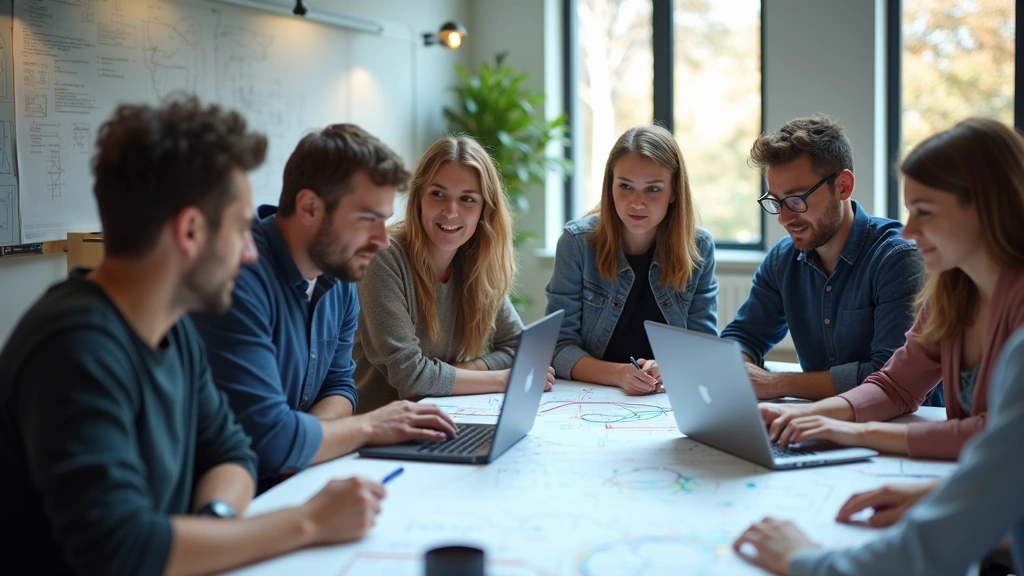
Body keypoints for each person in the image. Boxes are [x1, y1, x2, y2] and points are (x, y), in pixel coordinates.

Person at [0, 98, 390, 575]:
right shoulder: (74, 347)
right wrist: (308, 520)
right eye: (241, 229)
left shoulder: (173, 331)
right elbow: (120, 550)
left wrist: (218, 522)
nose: (250, 253)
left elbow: (233, 453)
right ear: (189, 231)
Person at [191, 124, 457, 492]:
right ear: (309, 207)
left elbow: (339, 386)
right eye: (367, 219)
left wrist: (302, 447)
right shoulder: (238, 277)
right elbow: (268, 442)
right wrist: (369, 427)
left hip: (298, 476)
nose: (382, 241)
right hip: (232, 499)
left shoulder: (340, 275)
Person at [761, 117, 1024, 460]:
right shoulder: (952, 291)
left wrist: (858, 432)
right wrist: (802, 415)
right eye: (909, 211)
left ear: (987, 208)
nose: (909, 230)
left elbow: (1001, 438)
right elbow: (894, 385)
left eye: (924, 212)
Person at [733, 325, 1024, 576]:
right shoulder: (951, 289)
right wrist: (811, 415)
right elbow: (895, 383)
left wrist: (803, 560)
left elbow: (923, 555)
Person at [720, 114, 924, 401]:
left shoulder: (898, 259)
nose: (784, 218)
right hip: (822, 423)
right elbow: (741, 337)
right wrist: (743, 369)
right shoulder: (783, 259)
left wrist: (775, 383)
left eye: (795, 200)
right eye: (776, 202)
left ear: (843, 186)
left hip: (902, 427)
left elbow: (890, 375)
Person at [353, 134, 554, 413]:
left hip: (440, 415)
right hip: (376, 429)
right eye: (438, 194)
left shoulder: (476, 262)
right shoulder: (383, 256)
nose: (451, 211)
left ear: (485, 209)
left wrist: (466, 369)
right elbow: (410, 377)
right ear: (419, 198)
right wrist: (503, 378)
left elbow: (521, 348)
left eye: (468, 199)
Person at [545, 125, 718, 396]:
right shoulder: (576, 243)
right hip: (590, 395)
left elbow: (704, 346)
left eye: (653, 189)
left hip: (667, 397)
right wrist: (619, 375)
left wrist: (668, 367)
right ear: (610, 186)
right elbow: (558, 346)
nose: (637, 203)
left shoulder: (699, 248)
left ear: (673, 192)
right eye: (625, 186)